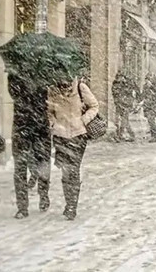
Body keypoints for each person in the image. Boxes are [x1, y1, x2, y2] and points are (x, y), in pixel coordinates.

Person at [46, 76, 99, 220]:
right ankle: (69, 201)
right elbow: (49, 111)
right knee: (65, 171)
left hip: (78, 136)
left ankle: (71, 206)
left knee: (73, 170)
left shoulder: (80, 87)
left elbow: (94, 106)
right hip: (61, 136)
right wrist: (53, 123)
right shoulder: (53, 90)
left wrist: (83, 120)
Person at [9, 73, 51, 218]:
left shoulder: (44, 74)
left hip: (40, 129)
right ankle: (22, 206)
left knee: (43, 164)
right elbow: (13, 93)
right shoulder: (15, 75)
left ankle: (43, 195)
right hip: (22, 129)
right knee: (20, 168)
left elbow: (48, 97)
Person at [111, 70, 139, 141]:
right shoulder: (116, 84)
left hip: (126, 105)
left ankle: (121, 135)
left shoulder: (128, 83)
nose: (120, 79)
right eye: (118, 77)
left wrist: (132, 102)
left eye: (121, 77)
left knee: (124, 120)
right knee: (119, 120)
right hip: (119, 104)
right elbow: (114, 94)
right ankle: (123, 135)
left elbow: (134, 92)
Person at [141, 74, 156, 143]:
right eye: (146, 80)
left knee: (151, 119)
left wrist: (152, 87)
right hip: (148, 105)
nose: (147, 82)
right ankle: (153, 134)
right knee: (150, 120)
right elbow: (143, 95)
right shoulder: (145, 86)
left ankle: (154, 135)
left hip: (154, 105)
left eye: (148, 80)